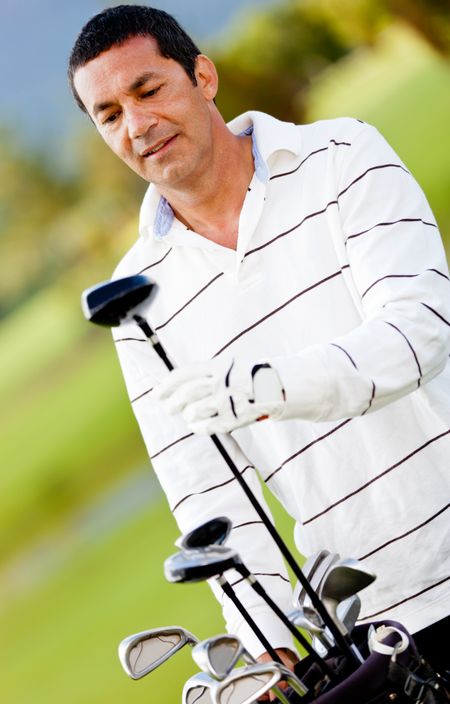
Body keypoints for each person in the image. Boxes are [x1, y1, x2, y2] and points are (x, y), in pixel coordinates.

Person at [69, 5, 450, 673]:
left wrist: (265, 388)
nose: (137, 125)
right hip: (375, 624)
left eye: (149, 90)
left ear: (203, 77)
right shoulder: (135, 296)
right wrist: (263, 642)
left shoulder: (344, 156)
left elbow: (419, 332)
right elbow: (206, 489)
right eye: (108, 114)